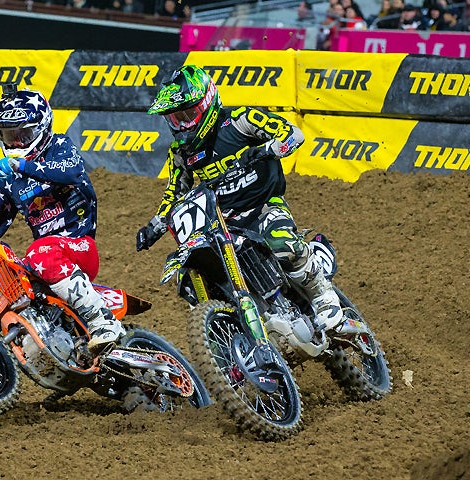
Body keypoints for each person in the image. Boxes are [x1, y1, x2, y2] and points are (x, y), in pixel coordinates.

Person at [135, 65, 344, 333]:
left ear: (207, 102)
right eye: (175, 119)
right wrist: (154, 226)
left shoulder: (240, 119)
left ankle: (322, 295)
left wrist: (266, 150)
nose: (182, 125)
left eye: (187, 114)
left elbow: (293, 134)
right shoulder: (180, 152)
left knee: (281, 242)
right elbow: (174, 193)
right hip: (224, 220)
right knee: (198, 271)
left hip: (263, 205)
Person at [0, 85, 125, 354]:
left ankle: (103, 321)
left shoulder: (59, 147)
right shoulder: (8, 181)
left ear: (42, 128)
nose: (17, 143)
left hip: (78, 246)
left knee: (39, 252)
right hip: (45, 263)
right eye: (9, 135)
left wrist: (21, 165)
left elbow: (71, 172)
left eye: (24, 133)